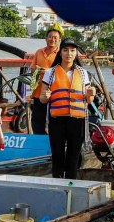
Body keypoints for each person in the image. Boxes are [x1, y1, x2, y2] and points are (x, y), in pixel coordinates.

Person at [39, 38, 95, 180]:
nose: (68, 54)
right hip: (56, 120)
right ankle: (57, 186)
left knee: (73, 158)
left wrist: (91, 94)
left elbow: (89, 100)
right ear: (60, 52)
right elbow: (42, 99)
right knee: (57, 157)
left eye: (72, 50)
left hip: (77, 120)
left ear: (76, 53)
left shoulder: (83, 74)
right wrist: (45, 96)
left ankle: (71, 187)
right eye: (65, 50)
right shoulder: (50, 73)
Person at [30, 28, 62, 134]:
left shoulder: (62, 54)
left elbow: (63, 71)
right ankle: (39, 143)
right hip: (38, 92)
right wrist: (37, 70)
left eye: (55, 37)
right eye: (50, 37)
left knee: (55, 120)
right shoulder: (39, 52)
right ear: (46, 38)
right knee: (37, 120)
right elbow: (32, 68)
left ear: (59, 40)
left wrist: (48, 71)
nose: (52, 39)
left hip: (55, 93)